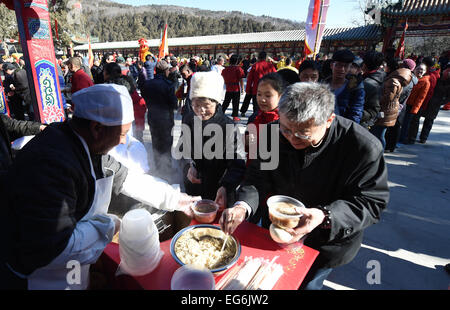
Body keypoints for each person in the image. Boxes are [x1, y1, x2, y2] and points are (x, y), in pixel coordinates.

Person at [0, 84, 200, 290]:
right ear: (97, 128)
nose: (124, 142)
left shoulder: (84, 144)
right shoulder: (51, 164)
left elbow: (127, 178)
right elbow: (53, 247)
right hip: (38, 277)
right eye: (122, 134)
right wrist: (109, 225)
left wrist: (176, 199)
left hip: (70, 267)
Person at [219, 82, 389, 290]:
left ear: (328, 120)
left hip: (326, 241)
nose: (292, 138)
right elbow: (257, 178)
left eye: (302, 133)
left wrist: (325, 216)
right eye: (286, 129)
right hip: (278, 229)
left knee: (308, 285)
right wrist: (242, 206)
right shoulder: (272, 133)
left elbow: (372, 202)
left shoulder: (362, 147)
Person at [180, 71, 246, 208]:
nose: (201, 110)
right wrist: (189, 166)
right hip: (194, 187)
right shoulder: (189, 120)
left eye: (206, 105)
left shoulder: (228, 126)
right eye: (196, 105)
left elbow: (237, 164)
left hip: (219, 189)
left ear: (216, 102)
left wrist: (226, 186)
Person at [141, 60, 178, 182]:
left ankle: (157, 167)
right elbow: (174, 103)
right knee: (166, 143)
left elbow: (145, 97)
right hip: (166, 118)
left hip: (152, 117)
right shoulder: (168, 85)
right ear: (166, 71)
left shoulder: (147, 84)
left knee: (155, 141)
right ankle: (166, 168)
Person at [370, 67, 412, 149]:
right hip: (390, 110)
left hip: (385, 110)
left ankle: (379, 153)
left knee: (379, 134)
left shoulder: (393, 81)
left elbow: (388, 97)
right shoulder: (399, 81)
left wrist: (376, 99)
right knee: (381, 134)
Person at [384, 58, 418, 152]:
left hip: (398, 105)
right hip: (402, 106)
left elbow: (400, 93)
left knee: (393, 127)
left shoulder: (406, 79)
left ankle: (390, 146)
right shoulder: (411, 78)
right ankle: (391, 146)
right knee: (395, 127)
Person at [325, 49, 365, 124]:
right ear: (331, 65)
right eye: (338, 65)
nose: (342, 69)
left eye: (346, 66)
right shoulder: (322, 85)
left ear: (350, 67)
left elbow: (356, 114)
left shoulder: (356, 88)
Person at [400, 63, 431, 144]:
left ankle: (403, 139)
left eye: (422, 70)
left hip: (412, 106)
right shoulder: (411, 77)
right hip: (404, 103)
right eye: (418, 69)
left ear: (425, 71)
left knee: (407, 124)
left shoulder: (426, 82)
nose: (420, 71)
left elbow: (421, 98)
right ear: (415, 69)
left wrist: (415, 109)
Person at [245, 51, 277, 119]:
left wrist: (248, 90)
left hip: (257, 90)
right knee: (268, 107)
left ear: (258, 57)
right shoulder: (270, 65)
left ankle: (256, 122)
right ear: (265, 57)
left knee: (256, 108)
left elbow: (249, 80)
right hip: (269, 90)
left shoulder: (255, 66)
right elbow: (276, 77)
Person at [360, 51, 386, 130]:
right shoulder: (382, 76)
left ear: (365, 64)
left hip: (362, 122)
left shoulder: (368, 83)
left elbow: (373, 110)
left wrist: (355, 113)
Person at [221, 54, 245, 122]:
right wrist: (242, 88)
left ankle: (221, 113)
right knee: (236, 103)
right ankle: (235, 116)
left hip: (228, 88)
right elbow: (241, 79)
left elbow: (223, 77)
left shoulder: (225, 69)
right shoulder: (238, 69)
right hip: (236, 88)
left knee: (226, 102)